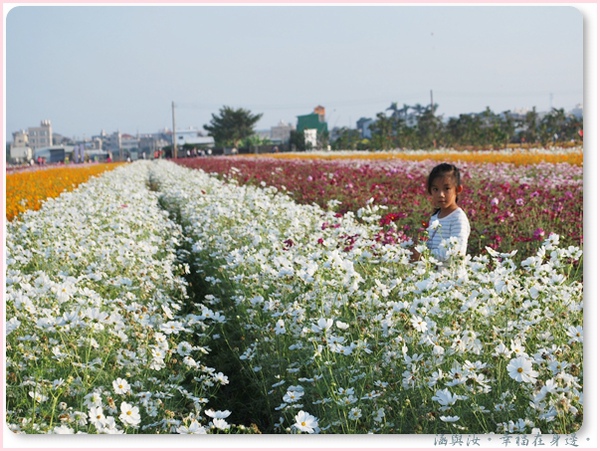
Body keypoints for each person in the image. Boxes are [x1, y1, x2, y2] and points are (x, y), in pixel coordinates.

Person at [414, 163, 470, 264]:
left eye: (447, 189)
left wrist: (425, 255)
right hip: (433, 276)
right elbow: (431, 244)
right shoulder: (435, 217)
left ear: (458, 190)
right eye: (436, 189)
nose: (441, 194)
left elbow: (456, 251)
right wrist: (419, 246)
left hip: (452, 277)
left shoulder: (458, 218)